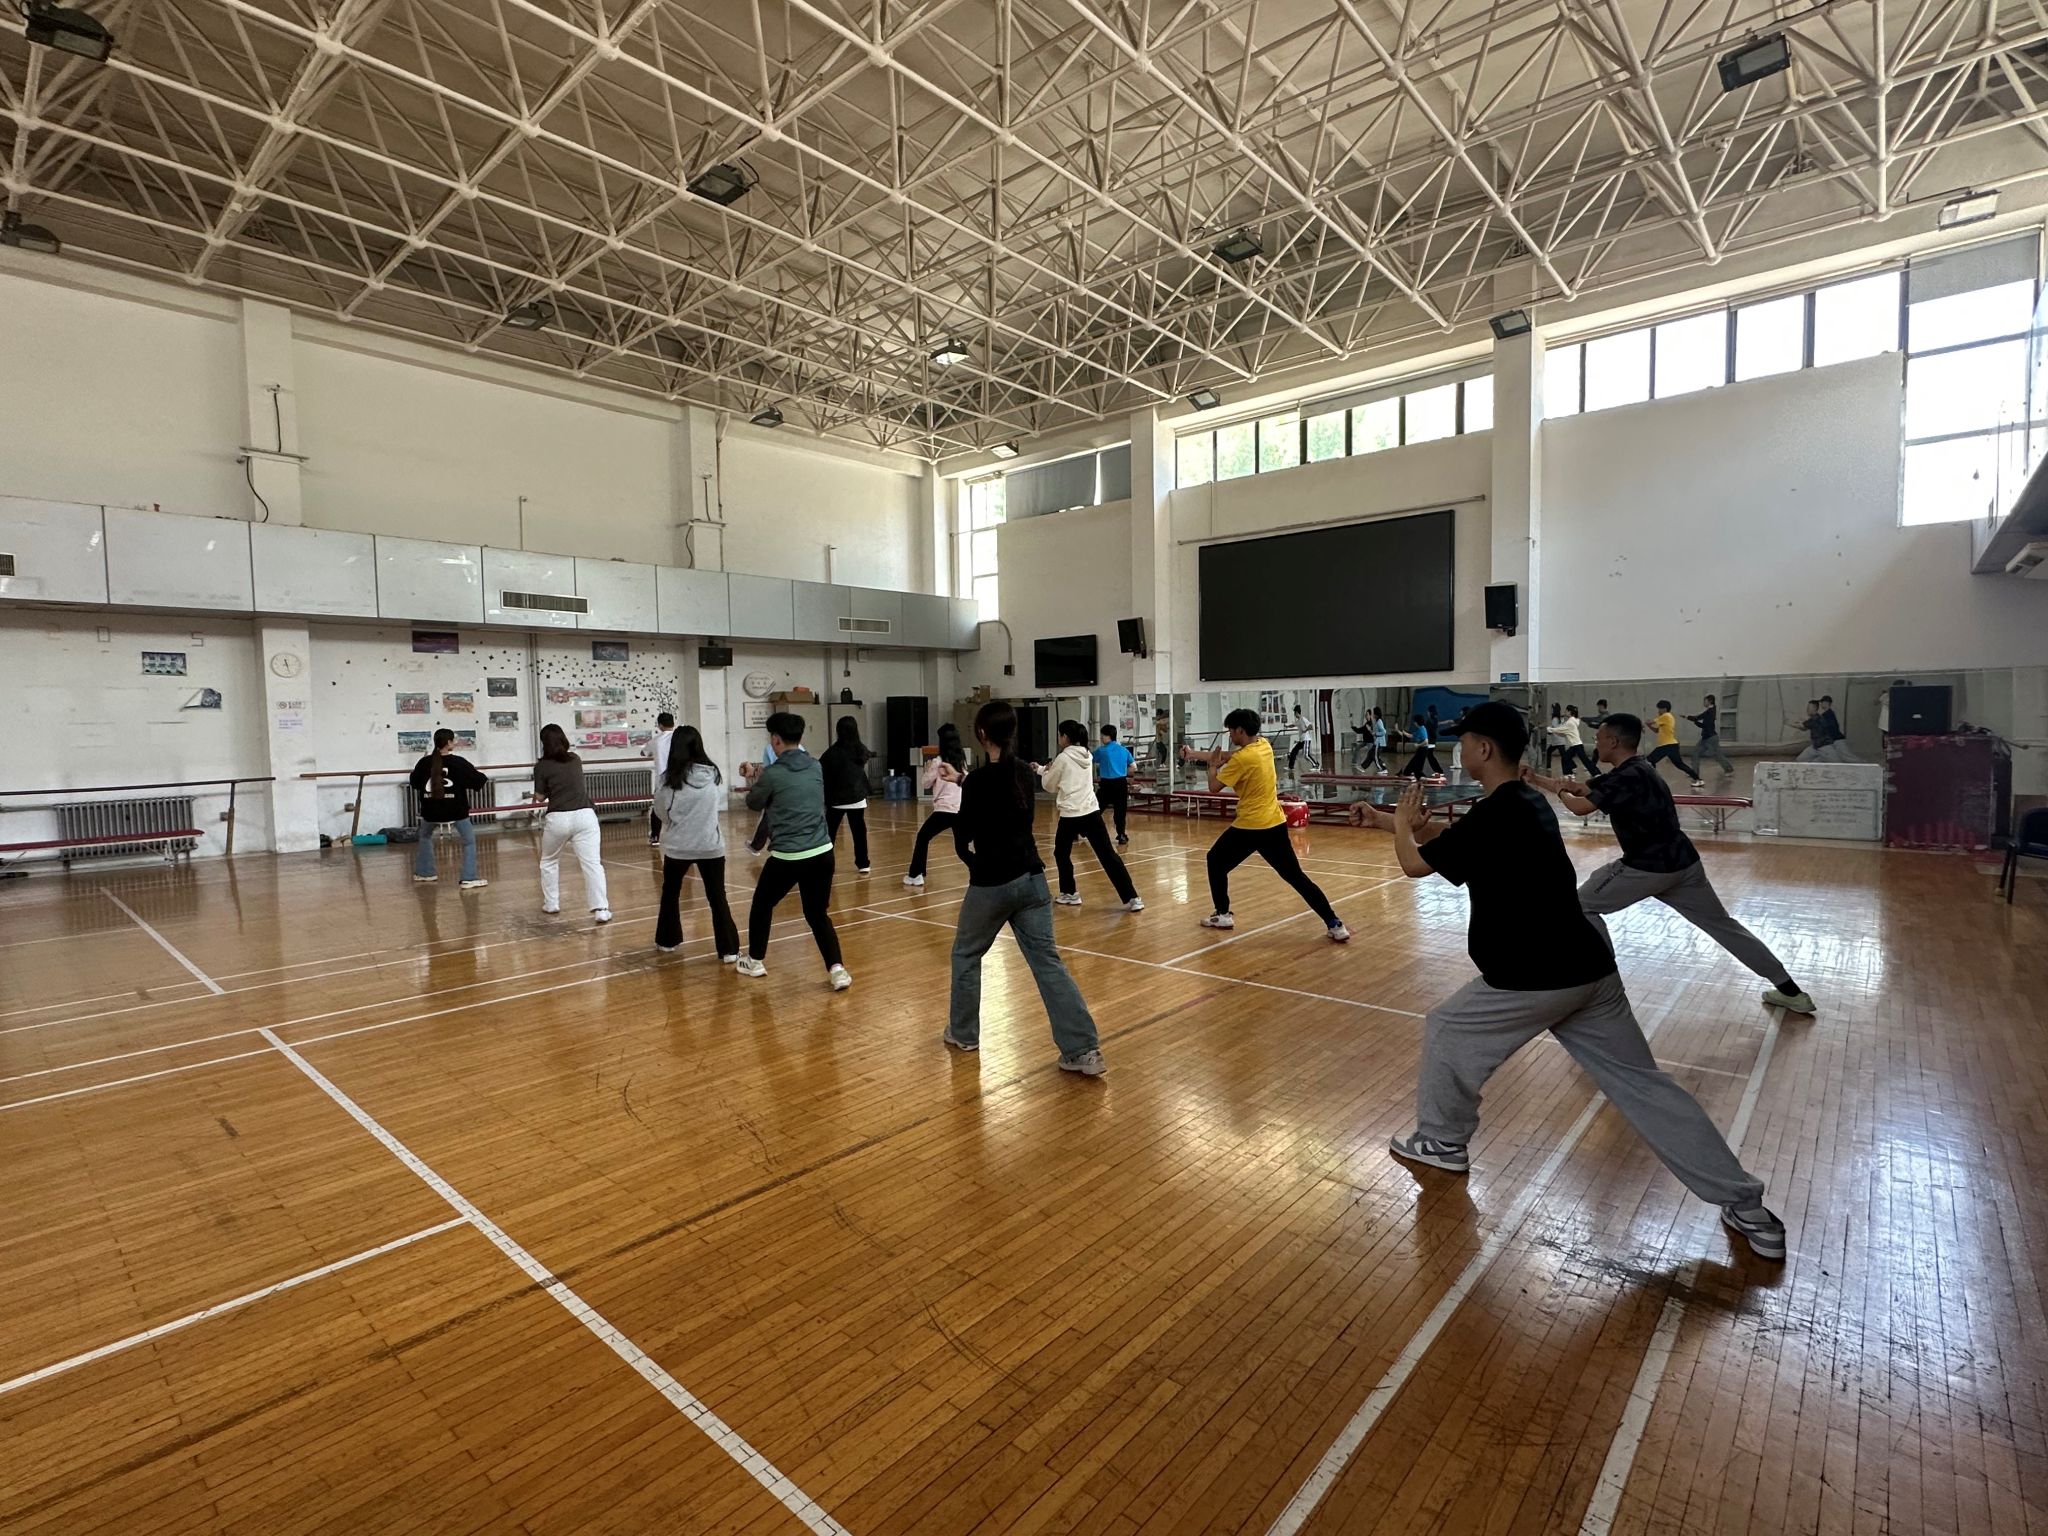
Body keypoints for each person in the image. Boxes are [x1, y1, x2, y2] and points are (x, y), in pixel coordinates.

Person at [1357, 701, 1785, 1261]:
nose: (1459, 749)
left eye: (1464, 741)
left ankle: (1441, 1141)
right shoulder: (1524, 803)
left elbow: (1415, 865)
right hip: (1590, 971)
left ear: (1483, 748)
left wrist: (1401, 828)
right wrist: (1391, 824)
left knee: (1447, 1027)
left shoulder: (1497, 812)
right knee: (1646, 1087)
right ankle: (1747, 1204)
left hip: (1536, 977)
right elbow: (1454, 846)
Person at [1526, 712, 1817, 1014]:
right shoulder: (1637, 769)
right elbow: (1583, 789)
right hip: (1684, 865)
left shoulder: (1625, 777)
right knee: (1724, 927)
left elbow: (1579, 806)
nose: (1594, 743)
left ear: (1613, 741)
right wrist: (1535, 779)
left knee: (1581, 906)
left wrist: (1560, 790)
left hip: (1647, 867)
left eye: (1598, 738)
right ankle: (1791, 991)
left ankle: (1603, 983)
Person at [943, 701, 1105, 1076]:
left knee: (965, 955)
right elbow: (996, 787)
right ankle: (1083, 1050)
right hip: (1033, 880)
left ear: (982, 734)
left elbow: (963, 836)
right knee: (1047, 962)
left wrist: (974, 863)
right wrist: (963, 779)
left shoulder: (983, 781)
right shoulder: (1020, 774)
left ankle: (964, 1033)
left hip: (992, 884)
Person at [1180, 709, 1349, 942]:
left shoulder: (1242, 759)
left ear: (1240, 730)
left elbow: (1214, 786)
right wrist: (1192, 754)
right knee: (1296, 877)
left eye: (1231, 731)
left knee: (1215, 861)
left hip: (1249, 827)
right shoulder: (1263, 745)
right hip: (1274, 825)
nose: (1229, 735)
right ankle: (1334, 923)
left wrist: (1211, 767)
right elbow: (1226, 755)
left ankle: (1223, 914)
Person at [738, 712, 850, 989]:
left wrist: (755, 778)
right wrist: (760, 774)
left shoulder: (773, 773)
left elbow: (754, 803)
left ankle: (755, 961)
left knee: (762, 905)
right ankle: (837, 970)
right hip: (822, 852)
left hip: (788, 856)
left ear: (775, 740)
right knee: (817, 914)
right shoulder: (815, 766)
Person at [651, 724, 738, 960]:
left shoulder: (668, 780)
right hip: (711, 844)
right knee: (717, 896)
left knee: (671, 892)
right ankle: (729, 950)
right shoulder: (714, 775)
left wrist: (677, 823)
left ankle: (667, 941)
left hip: (679, 846)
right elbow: (716, 804)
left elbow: (661, 811)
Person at [1038, 719, 1143, 912]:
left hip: (1071, 814)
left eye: (1060, 735)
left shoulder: (1063, 758)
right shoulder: (1086, 754)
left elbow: (1050, 785)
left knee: (1061, 853)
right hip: (1091, 812)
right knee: (1108, 855)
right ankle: (1132, 897)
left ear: (1065, 737)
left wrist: (1042, 771)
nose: (1059, 738)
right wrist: (1042, 769)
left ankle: (1069, 893)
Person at [533, 723, 610, 922]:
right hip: (585, 815)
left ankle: (551, 903)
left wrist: (546, 789)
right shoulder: (575, 759)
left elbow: (539, 797)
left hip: (558, 817)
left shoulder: (541, 766)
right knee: (592, 864)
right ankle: (601, 909)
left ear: (543, 743)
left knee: (549, 861)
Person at [409, 728, 490, 888]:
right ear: (448, 743)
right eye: (453, 740)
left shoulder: (424, 762)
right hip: (456, 811)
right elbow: (479, 781)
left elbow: (414, 782)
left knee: (424, 836)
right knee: (469, 842)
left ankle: (425, 873)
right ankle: (469, 877)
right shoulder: (459, 763)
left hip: (430, 812)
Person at [904, 723, 967, 887]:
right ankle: (981, 871)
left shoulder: (938, 762)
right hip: (960, 808)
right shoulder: (962, 761)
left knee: (922, 837)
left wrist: (927, 771)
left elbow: (925, 783)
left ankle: (915, 874)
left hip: (944, 809)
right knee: (962, 848)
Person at [819, 715, 874, 874]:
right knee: (859, 831)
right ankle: (863, 863)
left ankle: (825, 864)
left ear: (838, 731)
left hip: (837, 799)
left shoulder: (832, 753)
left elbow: (822, 772)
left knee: (830, 833)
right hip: (857, 797)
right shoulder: (860, 750)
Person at [1646, 700, 1703, 788]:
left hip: (1667, 745)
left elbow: (1652, 721)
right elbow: (1657, 730)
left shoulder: (1666, 716)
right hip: (1671, 745)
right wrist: (1649, 726)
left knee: (1649, 760)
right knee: (1679, 764)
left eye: (1659, 709)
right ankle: (1698, 779)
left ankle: (1652, 780)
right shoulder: (1665, 718)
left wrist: (1646, 723)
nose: (1658, 711)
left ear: (1665, 709)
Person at [1093, 724, 1135, 843]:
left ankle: (1084, 830)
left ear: (1108, 736)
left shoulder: (1102, 750)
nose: (1101, 738)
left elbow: (1089, 759)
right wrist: (1122, 771)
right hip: (1121, 783)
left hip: (1106, 784)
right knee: (1120, 811)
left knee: (1095, 808)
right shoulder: (1124, 750)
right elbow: (1133, 767)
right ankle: (1121, 834)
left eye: (1102, 735)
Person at [1686, 694, 1735, 780]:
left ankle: (1729, 769)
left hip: (1711, 738)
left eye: (1705, 701)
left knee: (1718, 755)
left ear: (1710, 701)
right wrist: (1691, 718)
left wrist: (1694, 720)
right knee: (1695, 754)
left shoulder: (1711, 711)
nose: (1704, 703)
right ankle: (1694, 773)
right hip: (1705, 738)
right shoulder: (1709, 710)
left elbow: (1704, 724)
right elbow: (1699, 718)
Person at [648, 711, 676, 846]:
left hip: (661, 779)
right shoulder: (679, 739)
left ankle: (655, 836)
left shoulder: (656, 741)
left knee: (657, 808)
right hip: (678, 778)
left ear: (660, 725)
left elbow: (644, 752)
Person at [747, 738, 778, 854]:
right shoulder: (803, 752)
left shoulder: (770, 748)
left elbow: (766, 772)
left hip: (776, 789)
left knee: (767, 816)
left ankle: (757, 846)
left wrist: (754, 771)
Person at [1555, 706, 1595, 778]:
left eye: (1566, 711)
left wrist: (1556, 731)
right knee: (1566, 758)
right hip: (1574, 745)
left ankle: (1596, 773)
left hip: (1577, 745)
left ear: (1570, 712)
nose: (1564, 712)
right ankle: (1569, 773)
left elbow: (1564, 732)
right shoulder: (1571, 720)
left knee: (1584, 760)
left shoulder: (1571, 721)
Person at [1286, 705, 1315, 779]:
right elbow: (1293, 725)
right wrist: (1287, 726)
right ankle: (1291, 767)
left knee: (1306, 755)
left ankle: (1316, 765)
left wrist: (1305, 730)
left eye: (1294, 713)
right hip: (1302, 740)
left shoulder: (1303, 719)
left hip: (1306, 740)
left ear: (1296, 712)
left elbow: (1311, 726)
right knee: (1293, 752)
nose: (1294, 715)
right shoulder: (1298, 721)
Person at [1543, 704, 1568, 770]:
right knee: (1563, 755)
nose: (1551, 710)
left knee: (1550, 752)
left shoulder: (1555, 719)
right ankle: (1572, 767)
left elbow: (1554, 729)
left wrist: (1549, 731)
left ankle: (1548, 767)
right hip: (1560, 740)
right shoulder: (1561, 719)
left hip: (1557, 741)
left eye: (1552, 709)